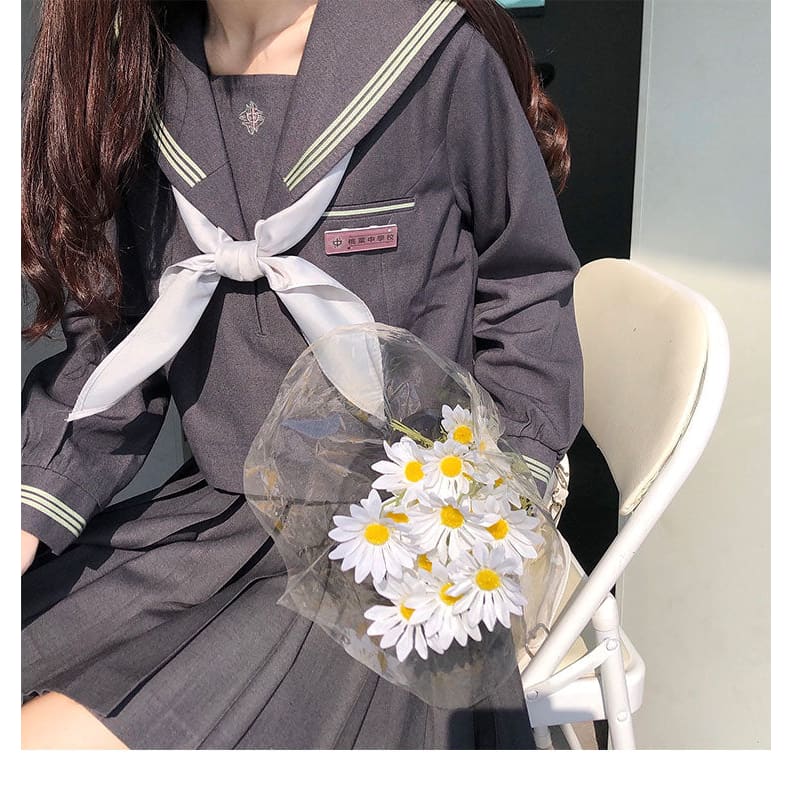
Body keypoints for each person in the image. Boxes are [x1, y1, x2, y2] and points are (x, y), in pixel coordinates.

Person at [21, 0, 583, 749]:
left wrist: (495, 498)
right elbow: (111, 353)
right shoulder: (133, 79)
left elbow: (527, 291)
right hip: (212, 523)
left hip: (393, 541)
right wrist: (25, 510)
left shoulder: (437, 55)